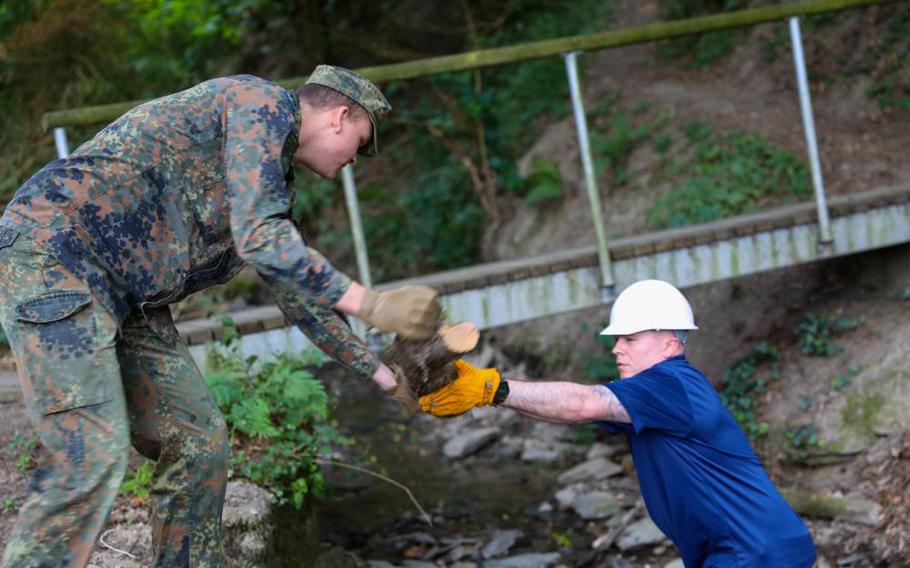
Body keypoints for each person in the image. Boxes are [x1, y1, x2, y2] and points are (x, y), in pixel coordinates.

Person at [0, 65, 436, 568]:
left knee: (197, 439)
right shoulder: (261, 104)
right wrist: (372, 303)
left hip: (123, 296)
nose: (355, 159)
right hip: (53, 259)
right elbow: (258, 237)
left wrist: (383, 377)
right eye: (359, 143)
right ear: (339, 117)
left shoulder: (269, 181)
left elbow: (301, 298)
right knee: (89, 457)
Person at [419, 279, 817, 568]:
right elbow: (567, 409)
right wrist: (492, 395)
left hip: (756, 553)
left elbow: (583, 403)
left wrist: (493, 387)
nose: (616, 348)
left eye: (629, 338)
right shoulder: (656, 394)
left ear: (669, 342)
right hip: (748, 550)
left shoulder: (671, 385)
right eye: (617, 339)